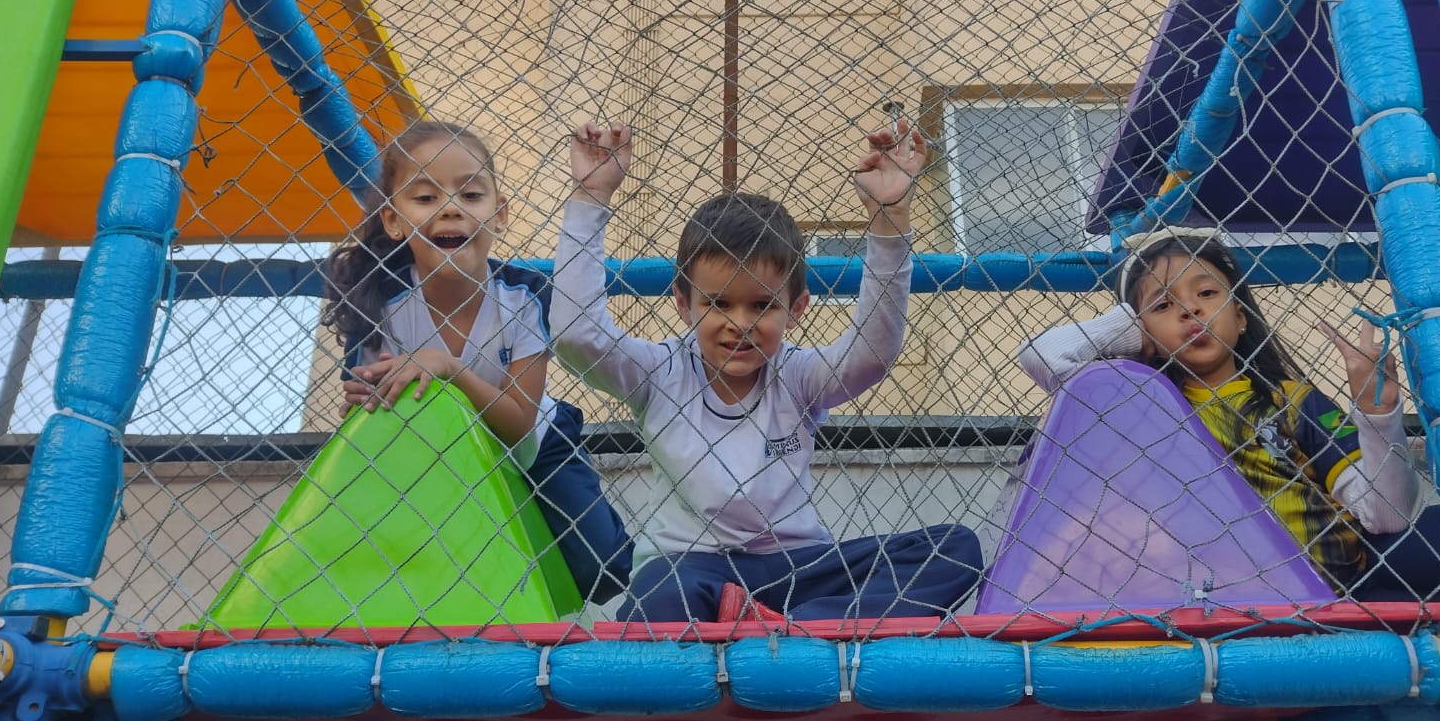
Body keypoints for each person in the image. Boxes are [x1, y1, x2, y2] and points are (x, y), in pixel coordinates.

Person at [1016, 227, 1440, 611]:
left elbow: (1385, 516)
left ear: (1240, 312)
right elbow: (1044, 359)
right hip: (1220, 587)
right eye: (1164, 306)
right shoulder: (1143, 409)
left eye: (1206, 293)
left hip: (1348, 575)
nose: (1189, 310)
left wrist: (1377, 414)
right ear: (1140, 334)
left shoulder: (1288, 399)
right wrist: (1135, 322)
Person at [551, 119, 982, 624]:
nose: (741, 324)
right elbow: (578, 336)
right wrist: (589, 198)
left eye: (762, 305)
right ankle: (801, 628)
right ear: (684, 305)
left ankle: (795, 629)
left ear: (795, 308)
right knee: (662, 592)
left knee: (954, 550)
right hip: (696, 569)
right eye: (719, 303)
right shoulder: (659, 372)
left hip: (797, 571)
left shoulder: (795, 375)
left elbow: (871, 354)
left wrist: (889, 223)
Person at [322, 120, 633, 606]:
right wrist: (365, 403)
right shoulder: (378, 304)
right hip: (432, 456)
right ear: (393, 220)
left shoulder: (524, 296)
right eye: (425, 199)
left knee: (604, 571)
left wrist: (446, 366)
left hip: (533, 445)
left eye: (470, 195)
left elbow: (516, 423)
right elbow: (364, 408)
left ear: (500, 213)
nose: (450, 208)